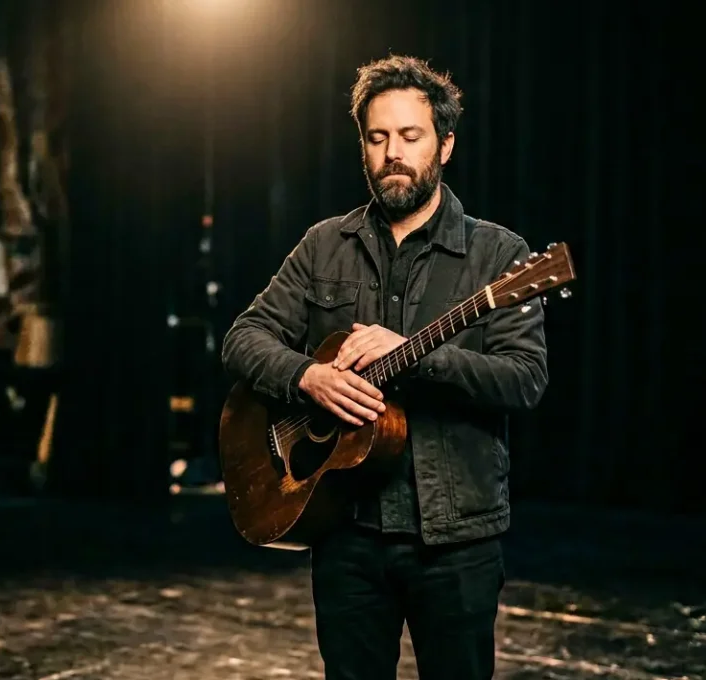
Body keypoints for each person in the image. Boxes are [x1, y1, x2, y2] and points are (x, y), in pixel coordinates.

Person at [219, 55, 549, 679]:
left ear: (445, 145)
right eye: (377, 138)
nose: (392, 153)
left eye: (410, 136)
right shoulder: (324, 245)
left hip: (454, 542)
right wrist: (305, 376)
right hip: (344, 531)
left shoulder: (499, 254)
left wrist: (417, 356)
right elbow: (244, 337)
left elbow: (524, 379)